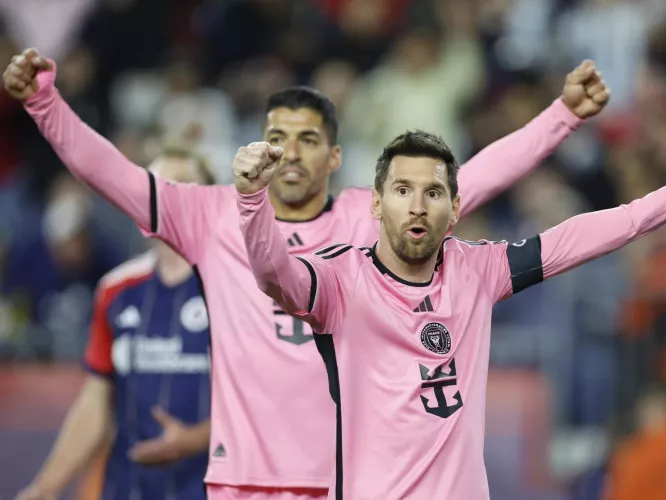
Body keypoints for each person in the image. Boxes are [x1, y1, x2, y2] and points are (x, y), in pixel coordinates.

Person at [4, 48, 609, 499]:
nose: (290, 152)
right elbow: (107, 172)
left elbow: (478, 175)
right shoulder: (208, 213)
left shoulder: (368, 218)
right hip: (241, 478)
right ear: (258, 143)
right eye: (277, 137)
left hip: (339, 480)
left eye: (308, 139)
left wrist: (562, 116)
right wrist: (44, 103)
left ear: (336, 157)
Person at [232, 136, 666, 499]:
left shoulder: (477, 269)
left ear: (456, 207)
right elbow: (275, 274)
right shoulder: (339, 281)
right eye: (402, 190)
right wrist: (253, 202)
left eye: (433, 192)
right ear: (377, 204)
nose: (417, 206)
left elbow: (574, 239)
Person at [16, 146, 215, 500]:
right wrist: (46, 487)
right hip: (128, 489)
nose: (167, 195)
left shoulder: (240, 290)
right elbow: (96, 400)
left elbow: (271, 404)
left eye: (182, 184)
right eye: (155, 186)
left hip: (212, 489)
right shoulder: (116, 289)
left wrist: (199, 438)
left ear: (211, 202)